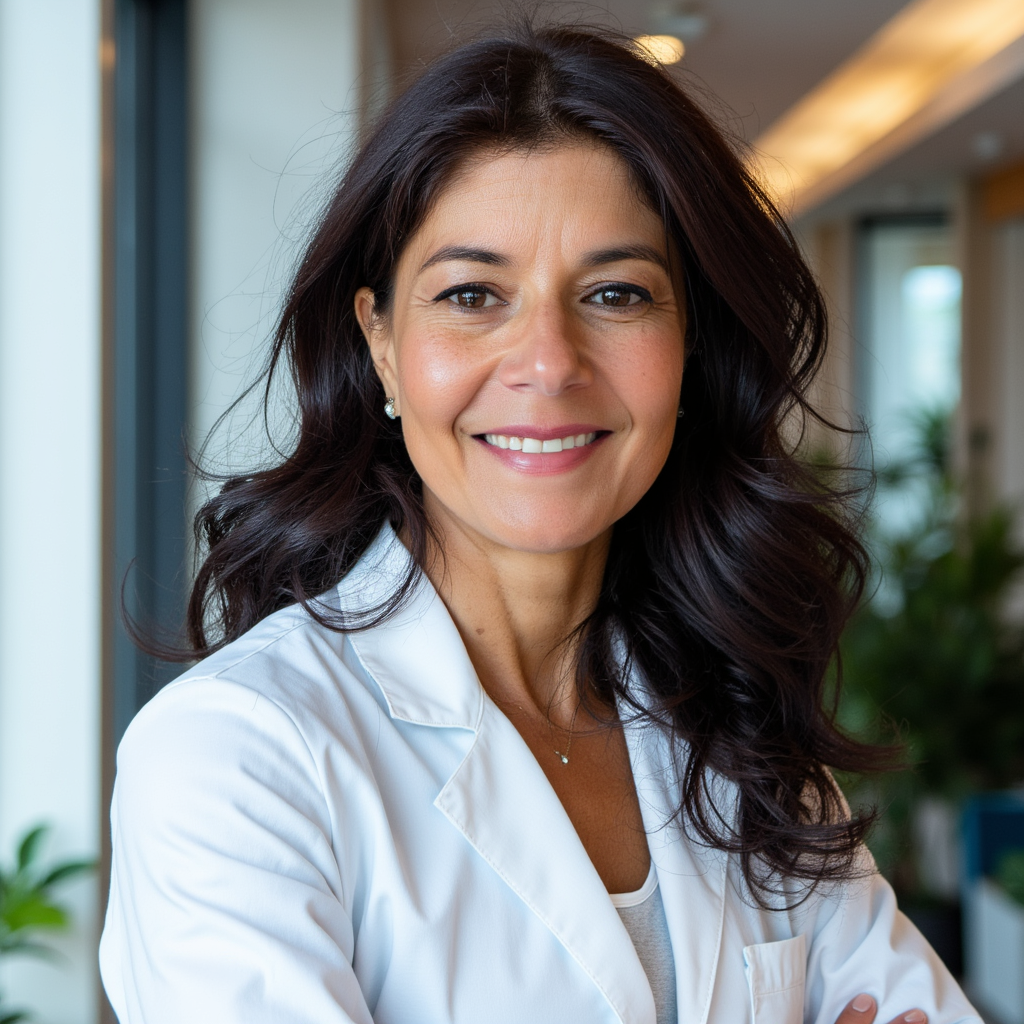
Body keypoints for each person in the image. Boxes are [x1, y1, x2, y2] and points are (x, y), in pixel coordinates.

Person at [99, 23, 982, 1024]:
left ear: (689, 346)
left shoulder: (747, 750)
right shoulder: (239, 757)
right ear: (381, 343)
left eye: (615, 293)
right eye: (472, 294)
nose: (549, 361)